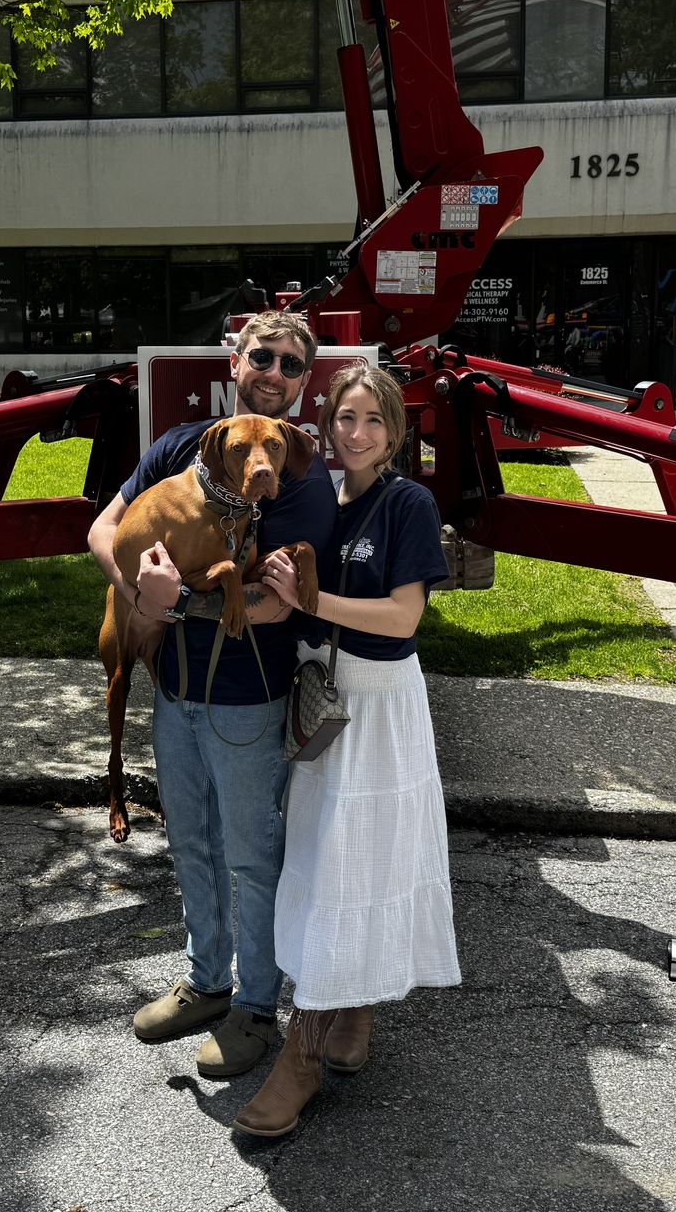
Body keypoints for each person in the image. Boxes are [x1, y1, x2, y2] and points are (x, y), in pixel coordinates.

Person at [87, 311, 337, 1080]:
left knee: (251, 858)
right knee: (191, 842)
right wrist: (140, 592)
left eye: (292, 364)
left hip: (245, 696)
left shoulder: (298, 475)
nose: (274, 371)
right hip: (174, 689)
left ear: (304, 382)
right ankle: (206, 981)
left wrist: (175, 603)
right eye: (263, 355)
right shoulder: (181, 447)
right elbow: (104, 529)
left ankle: (256, 1008)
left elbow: (277, 605)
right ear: (235, 361)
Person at [232, 363, 459, 1138]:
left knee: (350, 868)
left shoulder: (407, 503)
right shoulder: (326, 501)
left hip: (380, 706)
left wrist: (312, 598)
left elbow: (403, 618)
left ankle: (301, 1057)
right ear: (326, 427)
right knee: (331, 862)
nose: (356, 433)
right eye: (344, 418)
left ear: (394, 433)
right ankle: (352, 1005)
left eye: (372, 420)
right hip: (323, 703)